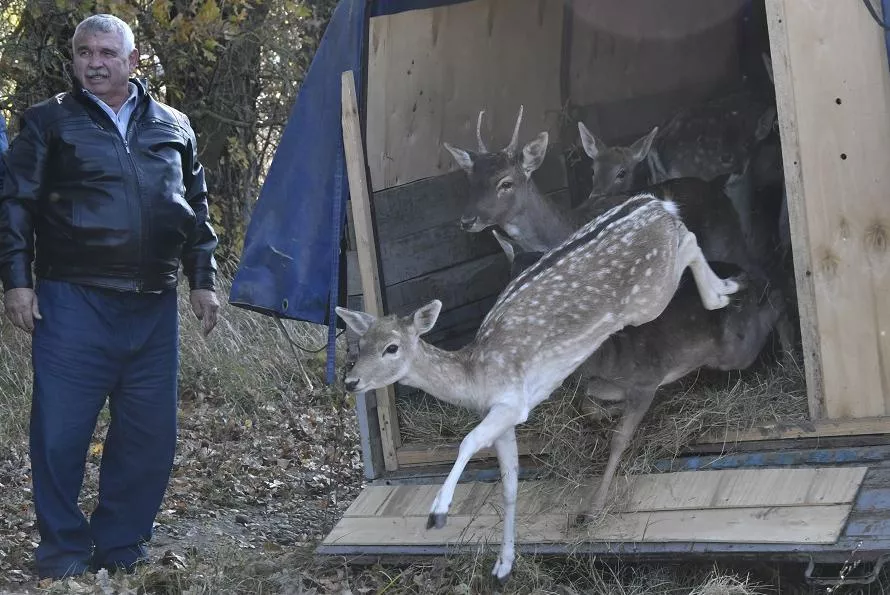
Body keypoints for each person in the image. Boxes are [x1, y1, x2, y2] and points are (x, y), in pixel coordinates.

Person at [0, 14, 220, 580]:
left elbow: (195, 209)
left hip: (152, 306)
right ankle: (64, 551)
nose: (93, 62)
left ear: (133, 60)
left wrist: (203, 280)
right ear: (72, 59)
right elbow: (16, 205)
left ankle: (122, 546)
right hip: (74, 301)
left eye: (105, 52)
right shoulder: (49, 121)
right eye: (83, 52)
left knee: (148, 438)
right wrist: (17, 282)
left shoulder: (174, 125)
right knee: (60, 435)